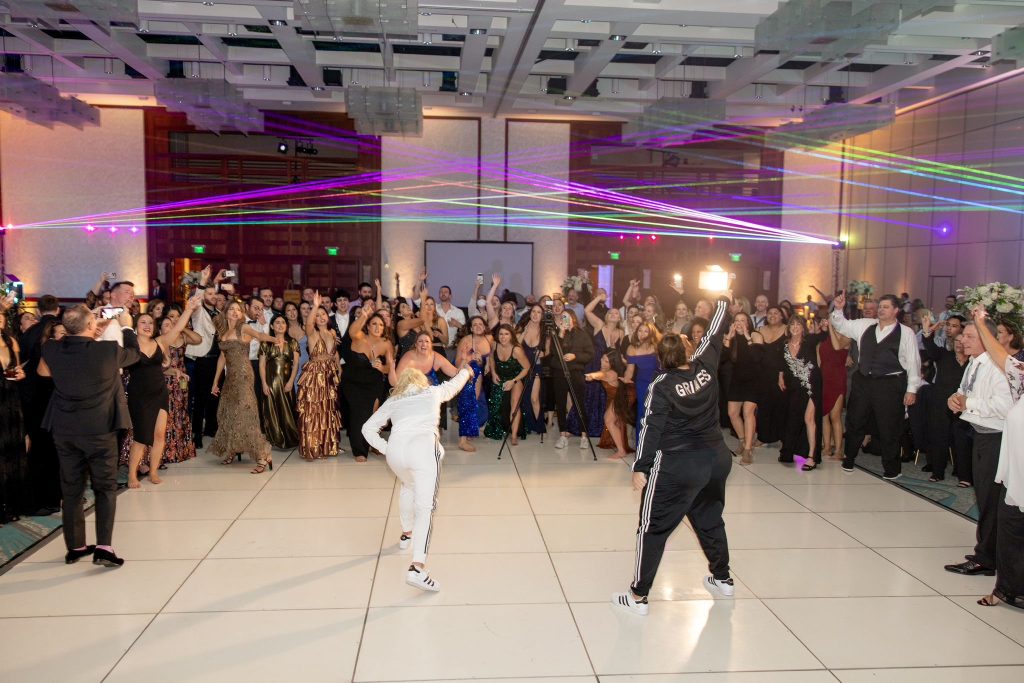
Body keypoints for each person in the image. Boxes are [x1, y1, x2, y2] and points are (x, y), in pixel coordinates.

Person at [613, 298, 733, 616]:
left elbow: (651, 428)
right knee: (709, 518)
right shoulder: (705, 364)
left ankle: (638, 597)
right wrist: (724, 299)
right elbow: (716, 329)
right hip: (716, 459)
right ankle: (723, 578)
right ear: (686, 352)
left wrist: (641, 467)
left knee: (651, 527)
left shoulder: (662, 385)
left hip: (680, 466)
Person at [39, 305, 144, 567]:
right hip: (99, 428)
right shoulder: (107, 350)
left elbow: (43, 371)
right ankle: (104, 548)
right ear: (89, 325)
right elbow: (134, 355)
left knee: (71, 488)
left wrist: (85, 335)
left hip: (65, 428)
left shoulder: (52, 348)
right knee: (105, 487)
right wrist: (128, 327)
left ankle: (75, 547)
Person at [362, 363, 474, 591]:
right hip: (423, 449)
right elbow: (453, 386)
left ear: (402, 384)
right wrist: (466, 371)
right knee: (425, 507)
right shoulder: (432, 392)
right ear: (422, 381)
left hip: (397, 452)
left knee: (407, 485)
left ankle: (406, 534)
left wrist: (387, 449)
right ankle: (417, 567)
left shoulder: (394, 400)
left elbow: (367, 429)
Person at [943, 318, 1012, 577]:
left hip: (997, 438)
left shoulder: (997, 368)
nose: (963, 340)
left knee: (991, 499)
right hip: (980, 434)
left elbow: (1004, 407)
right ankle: (986, 552)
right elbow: (964, 391)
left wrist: (967, 403)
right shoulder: (974, 363)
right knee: (984, 497)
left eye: (970, 336)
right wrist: (955, 399)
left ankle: (987, 558)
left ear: (986, 339)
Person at [966, 306, 1024, 609]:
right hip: (1016, 465)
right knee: (1010, 524)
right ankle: (1006, 589)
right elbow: (1002, 357)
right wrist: (980, 322)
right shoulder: (1020, 375)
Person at [830, 292, 922, 480]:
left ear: (896, 310)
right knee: (855, 421)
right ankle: (849, 459)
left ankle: (891, 468)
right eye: (880, 306)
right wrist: (838, 309)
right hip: (864, 381)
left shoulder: (906, 333)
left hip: (890, 384)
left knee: (889, 426)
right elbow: (842, 325)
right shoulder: (865, 325)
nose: (881, 309)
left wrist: (911, 389)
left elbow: (914, 363)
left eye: (886, 307)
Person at [125, 297, 200, 488]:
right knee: (141, 437)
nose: (148, 325)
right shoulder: (130, 345)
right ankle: (132, 475)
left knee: (159, 435)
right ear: (135, 325)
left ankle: (153, 470)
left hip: (160, 393)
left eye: (150, 322)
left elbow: (176, 328)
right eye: (143, 322)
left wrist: (189, 309)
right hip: (139, 395)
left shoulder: (160, 342)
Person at [209, 300, 280, 473]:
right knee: (229, 412)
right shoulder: (223, 331)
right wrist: (215, 381)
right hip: (230, 377)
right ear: (226, 312)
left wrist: (275, 339)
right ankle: (233, 448)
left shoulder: (244, 328)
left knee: (245, 414)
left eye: (238, 310)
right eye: (231, 309)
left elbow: (260, 336)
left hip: (243, 374)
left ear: (242, 313)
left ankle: (263, 455)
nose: (234, 312)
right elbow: (222, 358)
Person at [920, 312, 968, 482]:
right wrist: (927, 331)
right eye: (956, 342)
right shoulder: (944, 356)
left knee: (961, 441)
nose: (959, 345)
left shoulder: (974, 362)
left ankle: (964, 476)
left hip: (963, 406)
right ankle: (937, 473)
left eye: (962, 342)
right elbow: (929, 346)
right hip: (941, 403)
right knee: (939, 437)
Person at [343, 306, 394, 461]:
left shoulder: (386, 344)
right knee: (359, 415)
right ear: (368, 326)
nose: (378, 327)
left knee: (373, 415)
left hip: (374, 383)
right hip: (353, 383)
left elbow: (390, 368)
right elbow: (351, 331)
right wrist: (364, 315)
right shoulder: (359, 337)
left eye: (380, 325)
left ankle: (372, 443)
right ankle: (360, 451)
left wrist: (382, 367)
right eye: (374, 324)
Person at [776, 317, 826, 470]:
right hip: (794, 387)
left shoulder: (809, 341)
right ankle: (789, 451)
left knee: (809, 418)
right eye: (792, 324)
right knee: (792, 417)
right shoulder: (784, 345)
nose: (795, 327)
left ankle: (812, 457)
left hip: (812, 385)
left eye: (799, 324)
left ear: (803, 328)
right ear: (788, 327)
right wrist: (780, 376)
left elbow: (823, 335)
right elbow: (781, 363)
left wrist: (824, 326)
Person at [297, 294, 341, 458]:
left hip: (329, 376)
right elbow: (308, 323)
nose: (320, 317)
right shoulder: (312, 332)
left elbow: (334, 356)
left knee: (328, 411)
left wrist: (338, 370)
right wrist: (314, 306)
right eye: (317, 315)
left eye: (323, 314)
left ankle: (327, 447)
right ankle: (313, 447)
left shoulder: (332, 333)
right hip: (315, 376)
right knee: (314, 412)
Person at [157, 313, 200, 465]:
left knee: (181, 412)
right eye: (166, 325)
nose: (171, 327)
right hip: (164, 382)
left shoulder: (181, 338)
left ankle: (181, 450)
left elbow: (198, 339)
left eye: (172, 324)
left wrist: (182, 327)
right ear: (160, 329)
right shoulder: (159, 343)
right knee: (167, 415)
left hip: (182, 382)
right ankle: (165, 451)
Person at [549, 309, 595, 450]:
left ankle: (583, 436)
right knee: (561, 404)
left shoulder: (582, 334)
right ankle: (563, 435)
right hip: (559, 373)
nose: (565, 319)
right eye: (563, 317)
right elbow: (553, 353)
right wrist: (561, 334)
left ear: (573, 318)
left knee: (579, 403)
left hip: (576, 372)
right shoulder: (557, 335)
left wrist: (575, 356)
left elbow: (590, 354)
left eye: (567, 316)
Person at [0, 309, 29, 523]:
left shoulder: (11, 341)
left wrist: (20, 373)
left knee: (12, 449)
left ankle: (11, 502)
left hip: (10, 399)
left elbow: (18, 368)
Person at [723, 312, 763, 464]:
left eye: (743, 320)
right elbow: (724, 357)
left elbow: (757, 357)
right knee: (732, 413)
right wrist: (729, 337)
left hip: (754, 380)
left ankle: (748, 449)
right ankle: (742, 440)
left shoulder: (755, 335)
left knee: (748, 412)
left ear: (748, 323)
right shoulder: (731, 338)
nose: (739, 323)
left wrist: (747, 337)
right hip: (737, 380)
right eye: (736, 320)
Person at [260, 314, 301, 451]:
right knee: (271, 410)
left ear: (286, 325)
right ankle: (274, 439)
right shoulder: (266, 342)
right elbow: (262, 365)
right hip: (271, 382)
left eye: (283, 322)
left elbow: (295, 365)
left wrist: (291, 382)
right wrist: (264, 384)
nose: (280, 325)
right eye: (277, 322)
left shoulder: (293, 342)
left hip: (287, 383)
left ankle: (291, 438)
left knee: (288, 410)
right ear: (272, 326)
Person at [484, 324, 530, 443]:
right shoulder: (495, 344)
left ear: (511, 335)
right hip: (500, 377)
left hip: (515, 377)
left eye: (506, 334)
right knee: (497, 404)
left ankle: (514, 435)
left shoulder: (516, 350)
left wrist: (513, 380)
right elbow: (492, 358)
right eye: (501, 334)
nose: (503, 337)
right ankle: (500, 428)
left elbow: (526, 367)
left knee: (515, 404)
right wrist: (493, 373)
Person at [586, 349, 633, 460]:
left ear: (612, 363)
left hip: (622, 397)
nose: (603, 362)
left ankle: (621, 451)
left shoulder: (611, 373)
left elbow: (601, 375)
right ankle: (621, 448)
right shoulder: (610, 369)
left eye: (606, 361)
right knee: (612, 421)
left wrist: (592, 375)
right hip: (615, 397)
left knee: (608, 420)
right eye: (603, 359)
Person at [454, 316, 491, 452]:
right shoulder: (465, 341)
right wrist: (469, 358)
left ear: (484, 326)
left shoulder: (489, 339)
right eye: (474, 325)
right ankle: (463, 439)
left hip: (485, 378)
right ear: (470, 328)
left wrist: (488, 363)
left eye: (480, 324)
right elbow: (458, 363)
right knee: (469, 403)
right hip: (469, 376)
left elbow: (491, 356)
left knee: (481, 409)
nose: (478, 326)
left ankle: (470, 431)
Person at [818, 317, 851, 461]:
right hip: (824, 380)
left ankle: (838, 450)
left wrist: (831, 327)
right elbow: (819, 362)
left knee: (835, 416)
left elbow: (837, 346)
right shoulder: (822, 342)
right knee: (823, 415)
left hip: (837, 380)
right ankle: (826, 447)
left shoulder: (846, 337)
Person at [625, 322, 661, 443]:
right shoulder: (631, 348)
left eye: (646, 331)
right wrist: (625, 380)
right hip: (642, 383)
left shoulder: (656, 346)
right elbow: (630, 370)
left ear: (651, 333)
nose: (642, 334)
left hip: (658, 383)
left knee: (657, 413)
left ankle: (657, 445)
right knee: (642, 412)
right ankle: (641, 445)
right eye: (640, 331)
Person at [516, 304, 548, 436]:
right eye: (533, 312)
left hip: (536, 367)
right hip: (522, 367)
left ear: (542, 316)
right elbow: (516, 345)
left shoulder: (544, 331)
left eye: (538, 312)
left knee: (534, 398)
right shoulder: (522, 327)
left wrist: (543, 354)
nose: (535, 314)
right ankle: (526, 426)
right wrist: (524, 332)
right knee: (523, 399)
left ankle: (540, 427)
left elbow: (548, 350)